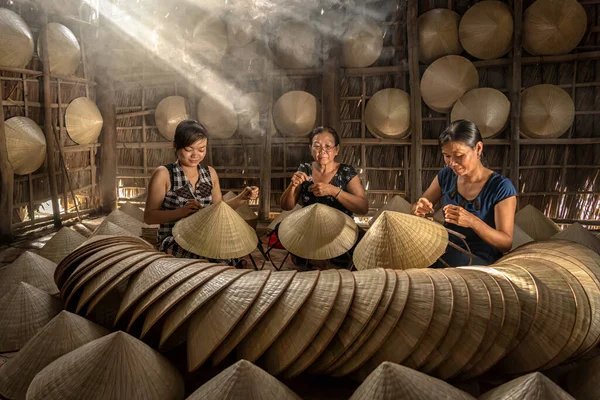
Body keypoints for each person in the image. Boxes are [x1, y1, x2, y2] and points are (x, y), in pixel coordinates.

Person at [144, 119, 259, 259]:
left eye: (201, 149)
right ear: (175, 146)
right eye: (188, 149)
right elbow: (149, 217)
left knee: (230, 253)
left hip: (204, 238)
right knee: (208, 258)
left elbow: (218, 210)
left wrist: (242, 198)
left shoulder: (210, 173)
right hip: (174, 240)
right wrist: (182, 212)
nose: (195, 155)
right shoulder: (164, 174)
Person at [412, 120, 517, 267]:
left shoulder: (501, 187)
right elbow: (419, 205)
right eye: (447, 156)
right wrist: (419, 207)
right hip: (446, 250)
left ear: (478, 148)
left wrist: (472, 221)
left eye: (459, 155)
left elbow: (506, 243)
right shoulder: (446, 176)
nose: (452, 163)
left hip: (479, 259)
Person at [279, 126, 368, 267]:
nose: (322, 151)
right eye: (317, 146)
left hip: (340, 231)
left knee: (362, 251)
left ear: (336, 150)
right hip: (311, 229)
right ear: (310, 148)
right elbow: (286, 206)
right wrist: (293, 185)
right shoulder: (305, 169)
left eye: (328, 147)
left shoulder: (346, 171)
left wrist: (334, 191)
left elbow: (363, 207)